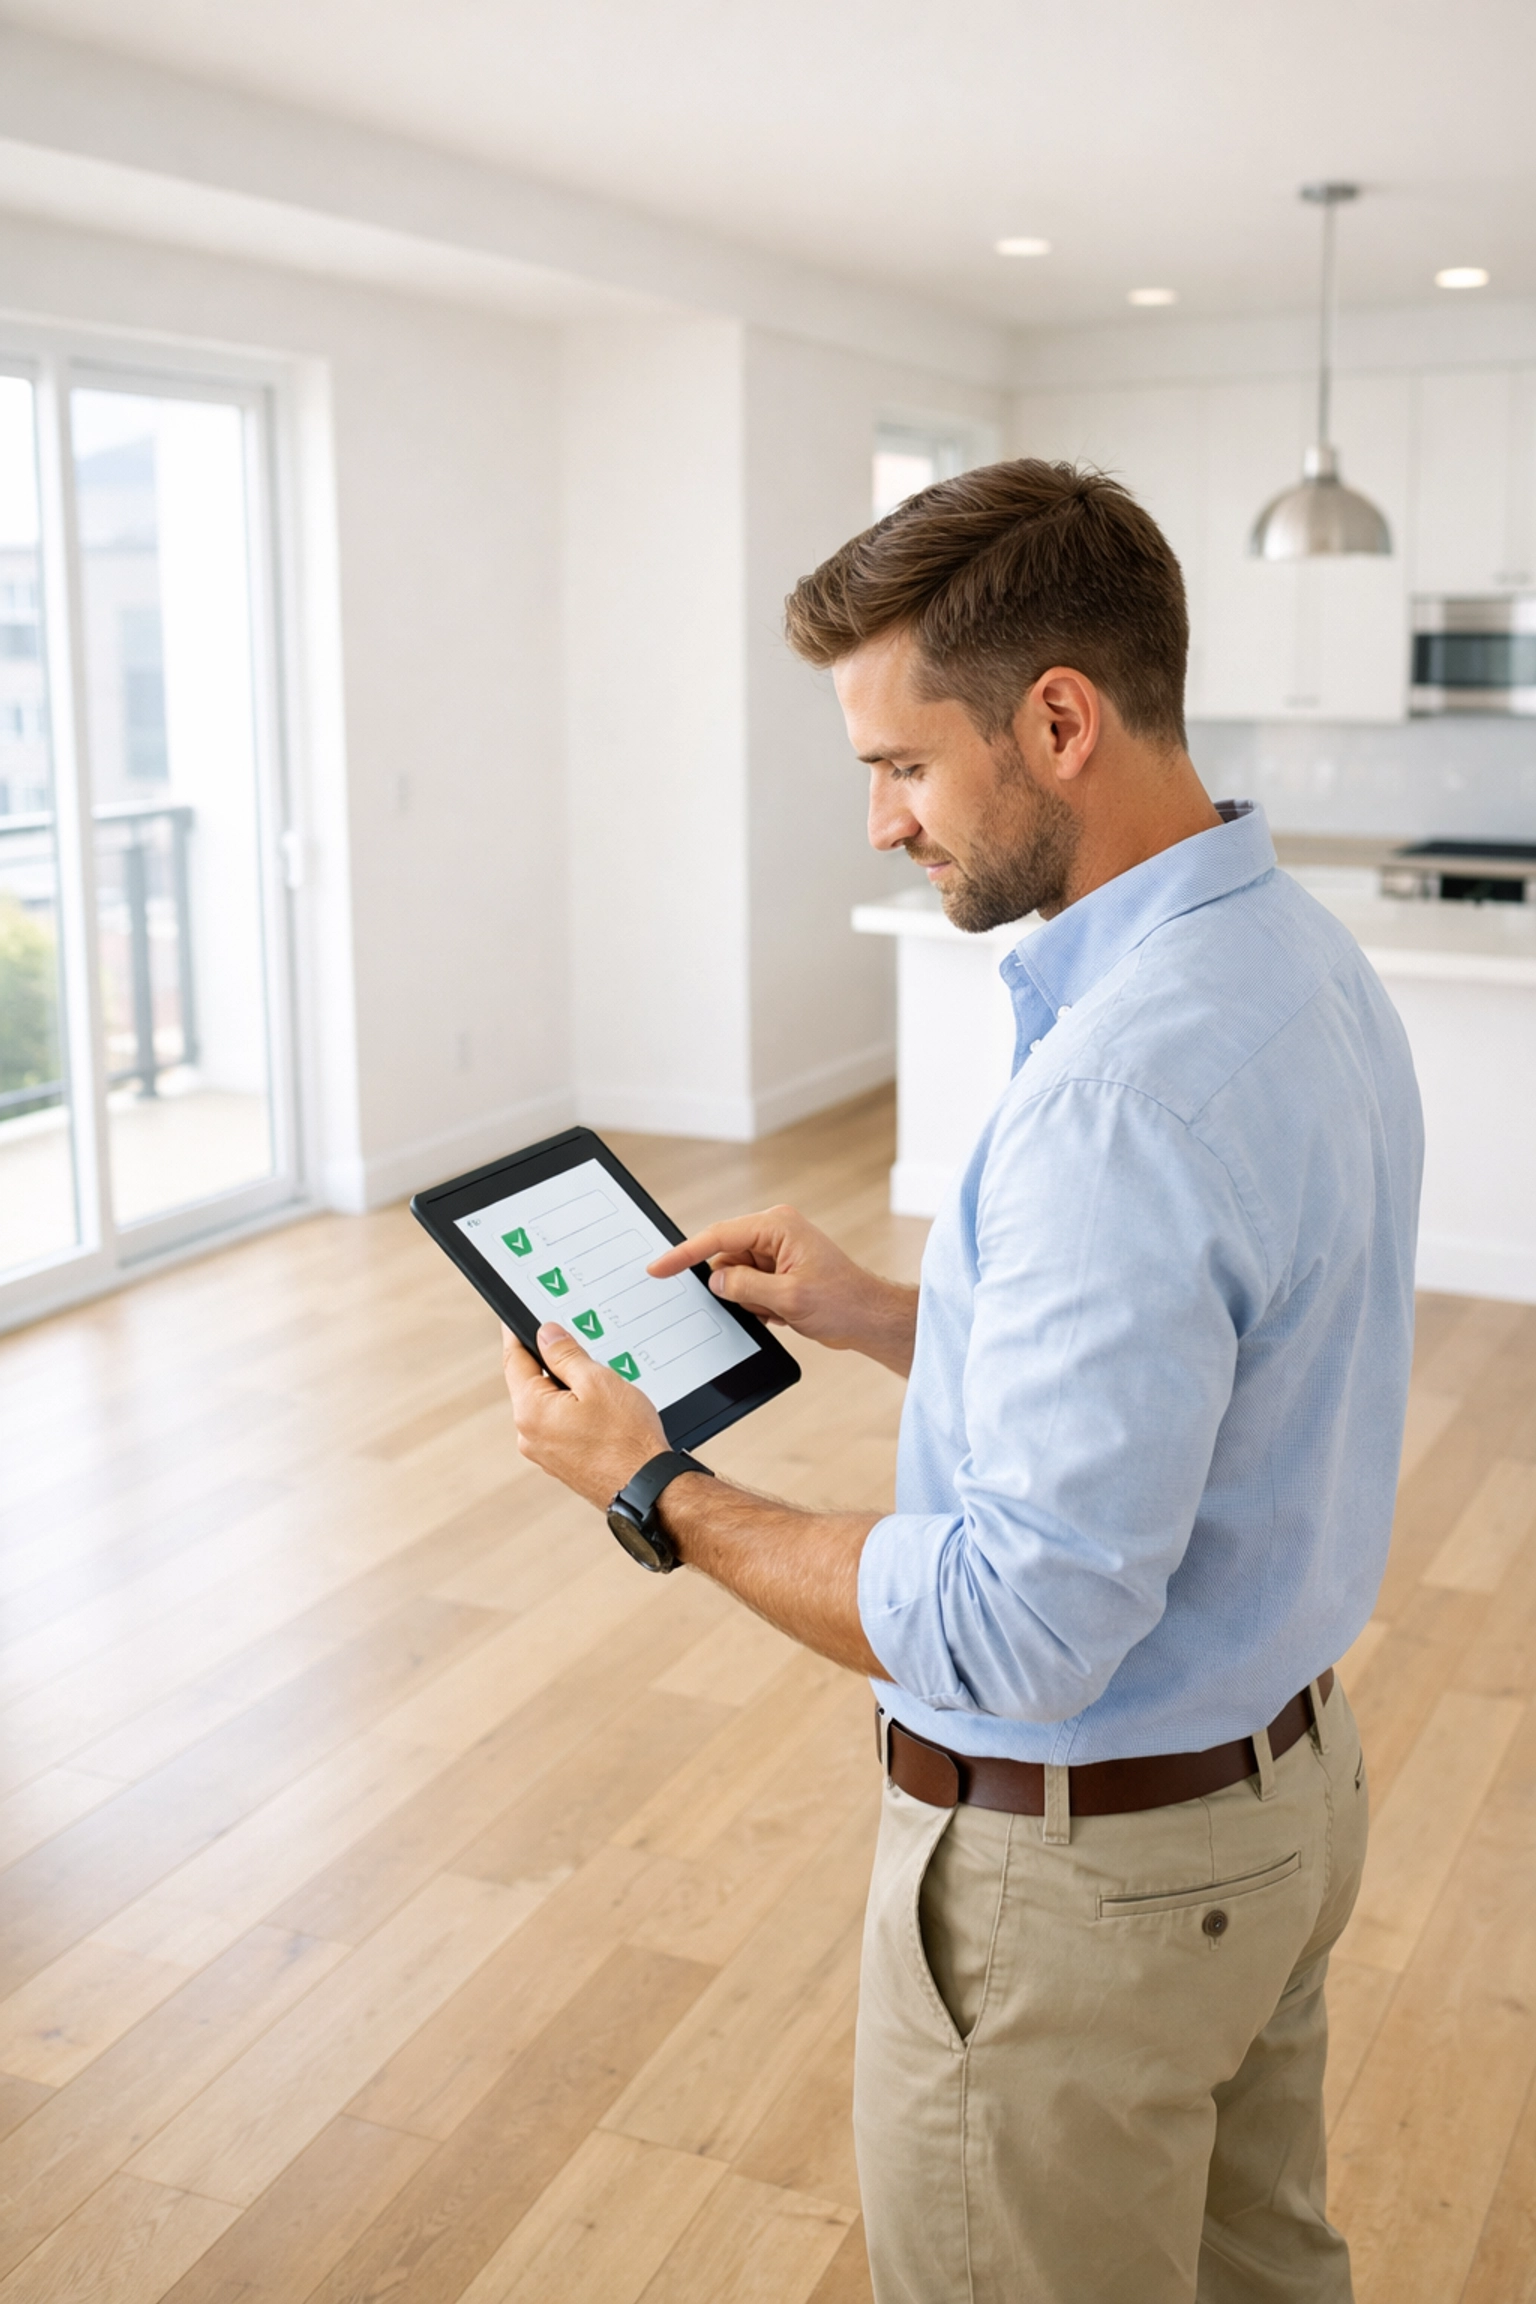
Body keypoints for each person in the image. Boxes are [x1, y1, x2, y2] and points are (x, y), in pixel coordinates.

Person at [502, 459, 1422, 2304]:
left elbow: (1022, 1623)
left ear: (1059, 723)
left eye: (903, 766)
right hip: (1281, 1804)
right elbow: (1202, 1383)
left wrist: (656, 1487)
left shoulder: (1117, 1091)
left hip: (1092, 1891)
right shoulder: (1297, 960)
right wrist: (884, 1316)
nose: (879, 823)